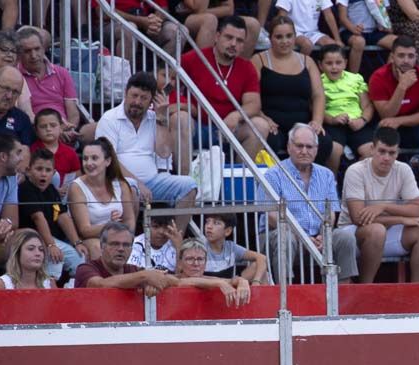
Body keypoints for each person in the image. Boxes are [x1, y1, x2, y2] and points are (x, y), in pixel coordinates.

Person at [264, 124, 361, 283]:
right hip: (284, 234)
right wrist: (303, 237)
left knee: (345, 238)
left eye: (309, 146)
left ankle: (342, 297)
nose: (304, 151)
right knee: (286, 238)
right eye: (299, 146)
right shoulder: (273, 174)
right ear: (289, 147)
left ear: (316, 149)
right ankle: (287, 297)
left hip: (318, 236)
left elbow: (330, 213)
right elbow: (272, 217)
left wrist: (323, 235)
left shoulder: (327, 174)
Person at [95, 72, 198, 221]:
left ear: (152, 100)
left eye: (144, 98)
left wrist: (161, 117)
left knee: (189, 185)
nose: (137, 102)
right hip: (119, 182)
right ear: (126, 93)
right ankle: (128, 240)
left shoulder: (154, 118)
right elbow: (108, 159)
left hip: (152, 182)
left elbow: (164, 153)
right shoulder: (109, 119)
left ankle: (177, 240)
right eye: (134, 96)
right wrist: (138, 183)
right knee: (131, 187)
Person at [339, 126, 419, 283]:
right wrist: (402, 220)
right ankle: (365, 289)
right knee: (376, 231)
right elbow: (358, 218)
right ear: (372, 149)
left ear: (397, 153)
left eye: (392, 153)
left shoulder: (403, 169)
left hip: (385, 230)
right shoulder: (356, 170)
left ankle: (417, 292)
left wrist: (383, 207)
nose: (386, 157)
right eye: (382, 151)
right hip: (352, 234)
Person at [170, 16, 270, 166]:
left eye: (239, 41)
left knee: (261, 125)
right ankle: (187, 184)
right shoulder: (193, 59)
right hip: (197, 126)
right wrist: (185, 105)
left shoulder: (247, 68)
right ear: (217, 36)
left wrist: (236, 115)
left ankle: (239, 179)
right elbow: (167, 86)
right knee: (180, 118)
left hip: (229, 129)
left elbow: (253, 103)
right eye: (229, 37)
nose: (233, 44)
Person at [252, 16, 342, 172]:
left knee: (323, 141)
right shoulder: (258, 60)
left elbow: (318, 95)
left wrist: (317, 121)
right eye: (279, 37)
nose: (284, 41)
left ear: (295, 37)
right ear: (270, 38)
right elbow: (250, 96)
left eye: (289, 36)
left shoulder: (307, 61)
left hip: (302, 124)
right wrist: (263, 118)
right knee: (268, 143)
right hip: (273, 124)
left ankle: (313, 187)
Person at [369, 37, 419, 204]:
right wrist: (402, 87)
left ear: (416, 57)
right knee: (383, 128)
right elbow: (386, 114)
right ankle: (381, 186)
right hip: (387, 127)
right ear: (392, 57)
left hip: (411, 126)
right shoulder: (379, 77)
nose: (406, 61)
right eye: (401, 56)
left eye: (410, 56)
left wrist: (400, 121)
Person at [20, 148, 85, 281]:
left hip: (51, 239)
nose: (43, 174)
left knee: (80, 257)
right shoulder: (26, 189)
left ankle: (73, 290)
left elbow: (63, 217)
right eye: (39, 169)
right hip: (30, 238)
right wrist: (51, 245)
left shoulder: (51, 190)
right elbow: (38, 218)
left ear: (54, 173)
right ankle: (49, 289)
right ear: (28, 171)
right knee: (56, 256)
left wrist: (77, 242)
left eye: (48, 170)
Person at [68, 138, 136, 263]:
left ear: (107, 161)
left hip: (120, 236)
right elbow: (84, 230)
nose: (89, 163)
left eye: (94, 158)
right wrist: (110, 226)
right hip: (93, 238)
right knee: (99, 249)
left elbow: (129, 220)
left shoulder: (121, 185)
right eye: (85, 158)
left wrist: (124, 237)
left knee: (132, 248)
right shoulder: (77, 187)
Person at [74, 222, 180, 295]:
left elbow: (174, 281)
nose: (121, 249)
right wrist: (146, 276)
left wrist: (156, 282)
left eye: (126, 245)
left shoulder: (133, 270)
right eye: (114, 244)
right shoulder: (86, 268)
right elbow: (101, 285)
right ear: (102, 246)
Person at [16, 28, 79, 142]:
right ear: (19, 54)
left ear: (44, 49)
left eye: (37, 49)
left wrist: (69, 129)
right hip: (36, 129)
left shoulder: (62, 73)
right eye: (27, 51)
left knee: (93, 129)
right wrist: (52, 131)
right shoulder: (16, 76)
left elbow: (73, 113)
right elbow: (27, 115)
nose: (34, 55)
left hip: (64, 128)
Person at [319, 43, 377, 162]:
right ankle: (332, 180)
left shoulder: (356, 78)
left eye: (338, 63)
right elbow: (316, 109)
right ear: (320, 65)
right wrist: (332, 120)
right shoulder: (318, 81)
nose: (334, 67)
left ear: (345, 63)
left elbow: (367, 105)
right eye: (329, 63)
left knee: (371, 152)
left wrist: (362, 120)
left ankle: (359, 180)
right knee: (334, 150)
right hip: (332, 124)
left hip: (357, 123)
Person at [276, 0, 364, 65]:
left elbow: (329, 16)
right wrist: (285, 35)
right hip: (294, 31)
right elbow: (281, 17)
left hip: (313, 32)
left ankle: (327, 77)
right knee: (307, 44)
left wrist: (338, 39)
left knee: (333, 45)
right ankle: (298, 70)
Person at [173, 238, 254, 307]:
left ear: (205, 262)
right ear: (180, 262)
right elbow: (181, 282)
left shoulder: (209, 279)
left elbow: (230, 281)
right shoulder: (172, 279)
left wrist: (242, 281)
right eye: (190, 259)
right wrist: (219, 283)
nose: (196, 264)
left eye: (200, 259)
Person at [202, 214, 269, 282]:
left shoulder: (231, 247)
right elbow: (194, 278)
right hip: (205, 288)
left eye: (216, 223)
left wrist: (256, 281)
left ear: (228, 231)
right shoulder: (199, 247)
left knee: (258, 267)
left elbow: (262, 258)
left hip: (230, 288)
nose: (209, 226)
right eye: (207, 222)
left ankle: (261, 291)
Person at [338, 0, 397, 73]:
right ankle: (352, 78)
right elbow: (342, 18)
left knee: (397, 42)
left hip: (374, 32)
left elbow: (384, 11)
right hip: (350, 31)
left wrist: (386, 25)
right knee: (359, 42)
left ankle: (387, 76)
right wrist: (353, 28)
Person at [30, 109, 79, 187]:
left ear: (61, 128)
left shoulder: (70, 153)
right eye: (43, 126)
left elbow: (77, 177)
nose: (48, 129)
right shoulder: (32, 151)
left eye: (53, 125)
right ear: (36, 131)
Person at [0, 65, 32, 145]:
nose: (9, 96)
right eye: (6, 88)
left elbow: (25, 152)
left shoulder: (22, 119)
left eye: (15, 92)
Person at [0, 134, 18, 257]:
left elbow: (13, 220)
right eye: (17, 153)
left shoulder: (11, 178)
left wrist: (4, 226)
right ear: (3, 156)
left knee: (25, 237)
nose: (20, 159)